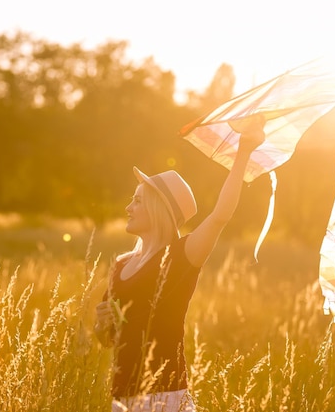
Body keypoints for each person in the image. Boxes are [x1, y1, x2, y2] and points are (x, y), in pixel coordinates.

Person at [94, 114, 266, 412]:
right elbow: (107, 339)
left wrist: (244, 152)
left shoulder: (180, 256)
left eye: (137, 201)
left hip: (166, 397)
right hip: (122, 399)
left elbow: (220, 216)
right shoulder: (121, 265)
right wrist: (100, 324)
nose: (128, 208)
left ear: (158, 208)